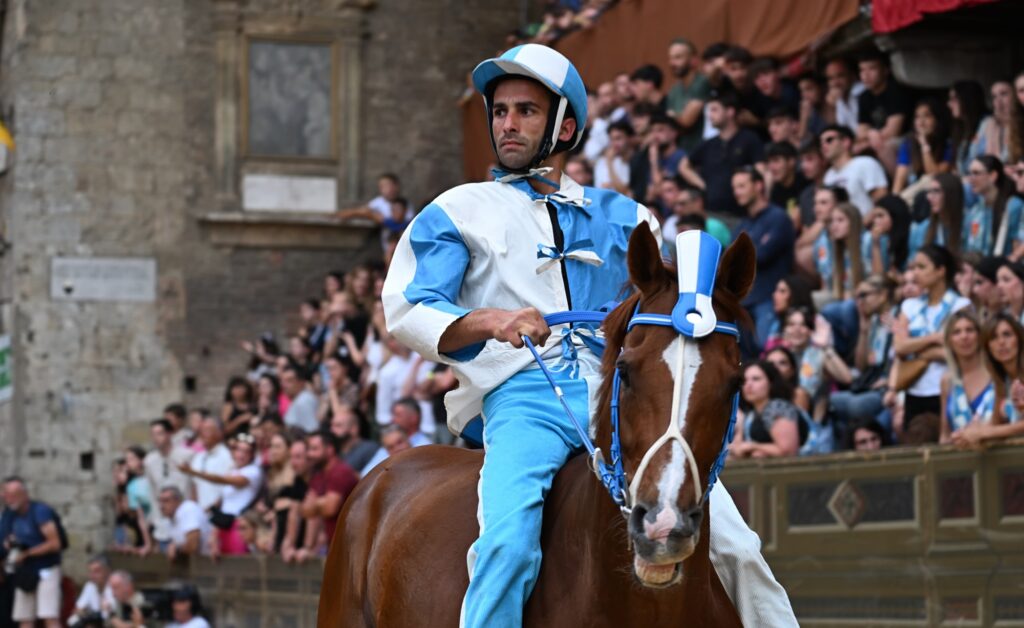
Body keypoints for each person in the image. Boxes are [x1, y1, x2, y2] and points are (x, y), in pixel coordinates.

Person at [383, 44, 797, 627]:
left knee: (739, 549)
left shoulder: (630, 217)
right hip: (524, 397)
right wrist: (492, 321)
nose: (508, 123)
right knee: (507, 547)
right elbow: (408, 304)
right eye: (500, 111)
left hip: (626, 397)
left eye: (526, 111)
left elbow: (663, 314)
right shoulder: (457, 210)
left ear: (565, 126)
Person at [890, 244, 971, 434]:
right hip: (914, 389)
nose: (915, 273)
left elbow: (960, 352)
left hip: (947, 387)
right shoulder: (909, 306)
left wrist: (917, 349)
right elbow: (900, 346)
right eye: (913, 267)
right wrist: (936, 338)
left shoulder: (960, 305)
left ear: (941, 271)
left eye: (921, 267)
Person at [730, 166, 795, 354]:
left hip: (769, 297)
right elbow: (730, 259)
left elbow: (761, 255)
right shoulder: (743, 224)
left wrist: (741, 257)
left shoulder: (778, 217)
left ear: (758, 185)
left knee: (766, 351)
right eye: (735, 188)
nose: (737, 192)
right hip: (743, 302)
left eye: (742, 186)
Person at [829, 275, 898, 438]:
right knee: (832, 401)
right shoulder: (874, 321)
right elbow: (861, 366)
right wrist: (864, 329)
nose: (859, 302)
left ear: (883, 295)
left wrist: (890, 380)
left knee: (856, 406)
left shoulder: (898, 317)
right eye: (856, 297)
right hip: (871, 384)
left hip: (889, 386)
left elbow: (906, 355)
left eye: (864, 295)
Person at [678, 91, 764, 216]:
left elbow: (761, 171)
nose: (710, 115)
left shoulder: (749, 139)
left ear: (730, 111)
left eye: (714, 110)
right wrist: (703, 185)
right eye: (709, 111)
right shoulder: (708, 144)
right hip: (711, 211)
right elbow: (683, 166)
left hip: (741, 213)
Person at [179, 433, 262, 555]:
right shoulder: (232, 470)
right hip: (223, 524)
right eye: (238, 449)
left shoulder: (253, 471)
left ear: (252, 455)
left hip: (238, 525)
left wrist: (194, 472)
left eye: (246, 451)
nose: (242, 454)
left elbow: (223, 480)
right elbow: (223, 501)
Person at [951, 312, 1024, 448]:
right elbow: (996, 423)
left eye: (1007, 335)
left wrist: (987, 433)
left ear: (1019, 339)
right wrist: (969, 433)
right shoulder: (1002, 381)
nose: (1001, 342)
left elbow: (992, 430)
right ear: (988, 347)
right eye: (994, 337)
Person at [0, 477, 64, 628]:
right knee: (24, 618)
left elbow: (55, 544)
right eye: (6, 494)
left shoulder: (40, 511)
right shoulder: (11, 515)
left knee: (49, 617)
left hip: (45, 569)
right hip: (25, 572)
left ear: (23, 494)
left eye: (12, 494)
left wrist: (28, 553)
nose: (8, 498)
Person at [298, 430, 358, 559]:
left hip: (352, 545)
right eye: (308, 449)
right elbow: (306, 511)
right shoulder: (318, 476)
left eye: (314, 449)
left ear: (330, 449)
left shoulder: (340, 472)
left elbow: (330, 508)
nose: (309, 454)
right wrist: (321, 503)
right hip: (334, 547)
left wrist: (316, 503)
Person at [729, 361, 805, 459]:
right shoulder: (750, 414)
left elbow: (789, 452)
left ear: (771, 383)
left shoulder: (778, 408)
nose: (748, 385)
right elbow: (737, 448)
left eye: (756, 379)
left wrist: (753, 447)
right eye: (744, 380)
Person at [939, 310, 994, 444]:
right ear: (949, 340)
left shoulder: (996, 373)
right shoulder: (947, 381)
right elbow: (945, 435)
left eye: (969, 330)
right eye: (956, 332)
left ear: (979, 336)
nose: (964, 336)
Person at [855, 49, 911, 173]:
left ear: (886, 70)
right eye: (862, 70)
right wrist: (870, 134)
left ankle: (900, 187)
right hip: (876, 139)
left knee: (885, 148)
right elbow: (861, 131)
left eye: (872, 69)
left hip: (906, 138)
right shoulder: (864, 97)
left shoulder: (895, 91)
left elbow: (894, 130)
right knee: (856, 149)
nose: (866, 75)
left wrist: (870, 138)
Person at [143, 419, 192, 552]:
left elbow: (192, 487)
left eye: (160, 433)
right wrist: (155, 520)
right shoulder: (149, 461)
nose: (156, 438)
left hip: (184, 516)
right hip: (163, 521)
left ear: (169, 434)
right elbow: (153, 493)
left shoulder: (187, 455)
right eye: (153, 434)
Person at [820, 124, 888, 217]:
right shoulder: (828, 176)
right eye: (821, 142)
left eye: (829, 140)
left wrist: (862, 226)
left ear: (845, 142)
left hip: (867, 227)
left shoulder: (865, 163)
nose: (824, 145)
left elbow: (882, 201)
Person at [892, 98, 953, 195]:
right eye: (917, 117)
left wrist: (924, 145)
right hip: (914, 193)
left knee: (927, 179)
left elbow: (934, 175)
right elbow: (900, 177)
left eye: (927, 116)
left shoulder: (947, 144)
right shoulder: (908, 143)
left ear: (937, 120)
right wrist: (894, 199)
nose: (921, 121)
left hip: (938, 193)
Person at [665, 38, 710, 153]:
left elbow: (687, 121)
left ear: (693, 60)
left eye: (678, 57)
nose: (672, 63)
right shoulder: (674, 90)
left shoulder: (702, 82)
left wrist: (672, 116)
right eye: (671, 58)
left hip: (703, 151)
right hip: (682, 153)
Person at [962, 155, 1013, 256]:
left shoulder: (1010, 207)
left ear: (993, 175)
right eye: (969, 173)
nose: (970, 179)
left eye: (976, 173)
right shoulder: (974, 211)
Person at [908, 172, 964, 260]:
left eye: (936, 191)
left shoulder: (968, 224)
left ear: (951, 193)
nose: (929, 197)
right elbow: (913, 262)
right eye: (929, 192)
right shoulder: (922, 228)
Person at [186, 416, 233, 514]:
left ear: (220, 433)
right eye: (201, 431)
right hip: (200, 514)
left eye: (207, 430)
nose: (203, 434)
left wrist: (211, 510)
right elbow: (195, 487)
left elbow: (227, 489)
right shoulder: (198, 457)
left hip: (219, 514)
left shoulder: (228, 457)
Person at [948, 80, 989, 176]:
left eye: (954, 99)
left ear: (967, 99)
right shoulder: (962, 128)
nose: (949, 104)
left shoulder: (987, 123)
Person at [158, 486, 211, 559]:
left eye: (166, 501)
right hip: (198, 565)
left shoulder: (188, 509)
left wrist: (176, 548)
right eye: (160, 501)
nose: (161, 506)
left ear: (177, 501)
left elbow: (193, 545)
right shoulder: (170, 518)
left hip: (212, 564)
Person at [765, 141, 809, 225]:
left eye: (776, 160)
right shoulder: (775, 190)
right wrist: (768, 188)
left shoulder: (805, 183)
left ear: (791, 162)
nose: (771, 167)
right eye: (769, 162)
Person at [69, 555, 115, 626]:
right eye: (90, 572)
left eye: (97, 571)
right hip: (95, 622)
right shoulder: (90, 585)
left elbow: (111, 616)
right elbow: (78, 609)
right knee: (73, 621)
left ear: (107, 571)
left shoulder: (115, 586)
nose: (92, 576)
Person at [823, 57, 864, 133]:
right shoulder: (838, 98)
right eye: (831, 78)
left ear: (852, 75)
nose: (835, 83)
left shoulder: (862, 92)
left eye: (840, 76)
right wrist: (832, 107)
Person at [593, 119, 633, 194]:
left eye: (618, 138)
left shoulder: (632, 159)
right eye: (612, 139)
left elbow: (623, 190)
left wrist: (609, 163)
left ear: (629, 138)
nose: (614, 143)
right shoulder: (602, 161)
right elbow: (600, 189)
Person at [280, 367, 319, 433]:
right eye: (283, 381)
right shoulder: (297, 399)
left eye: (289, 381)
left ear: (301, 382)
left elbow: (312, 430)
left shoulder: (304, 401)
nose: (284, 385)